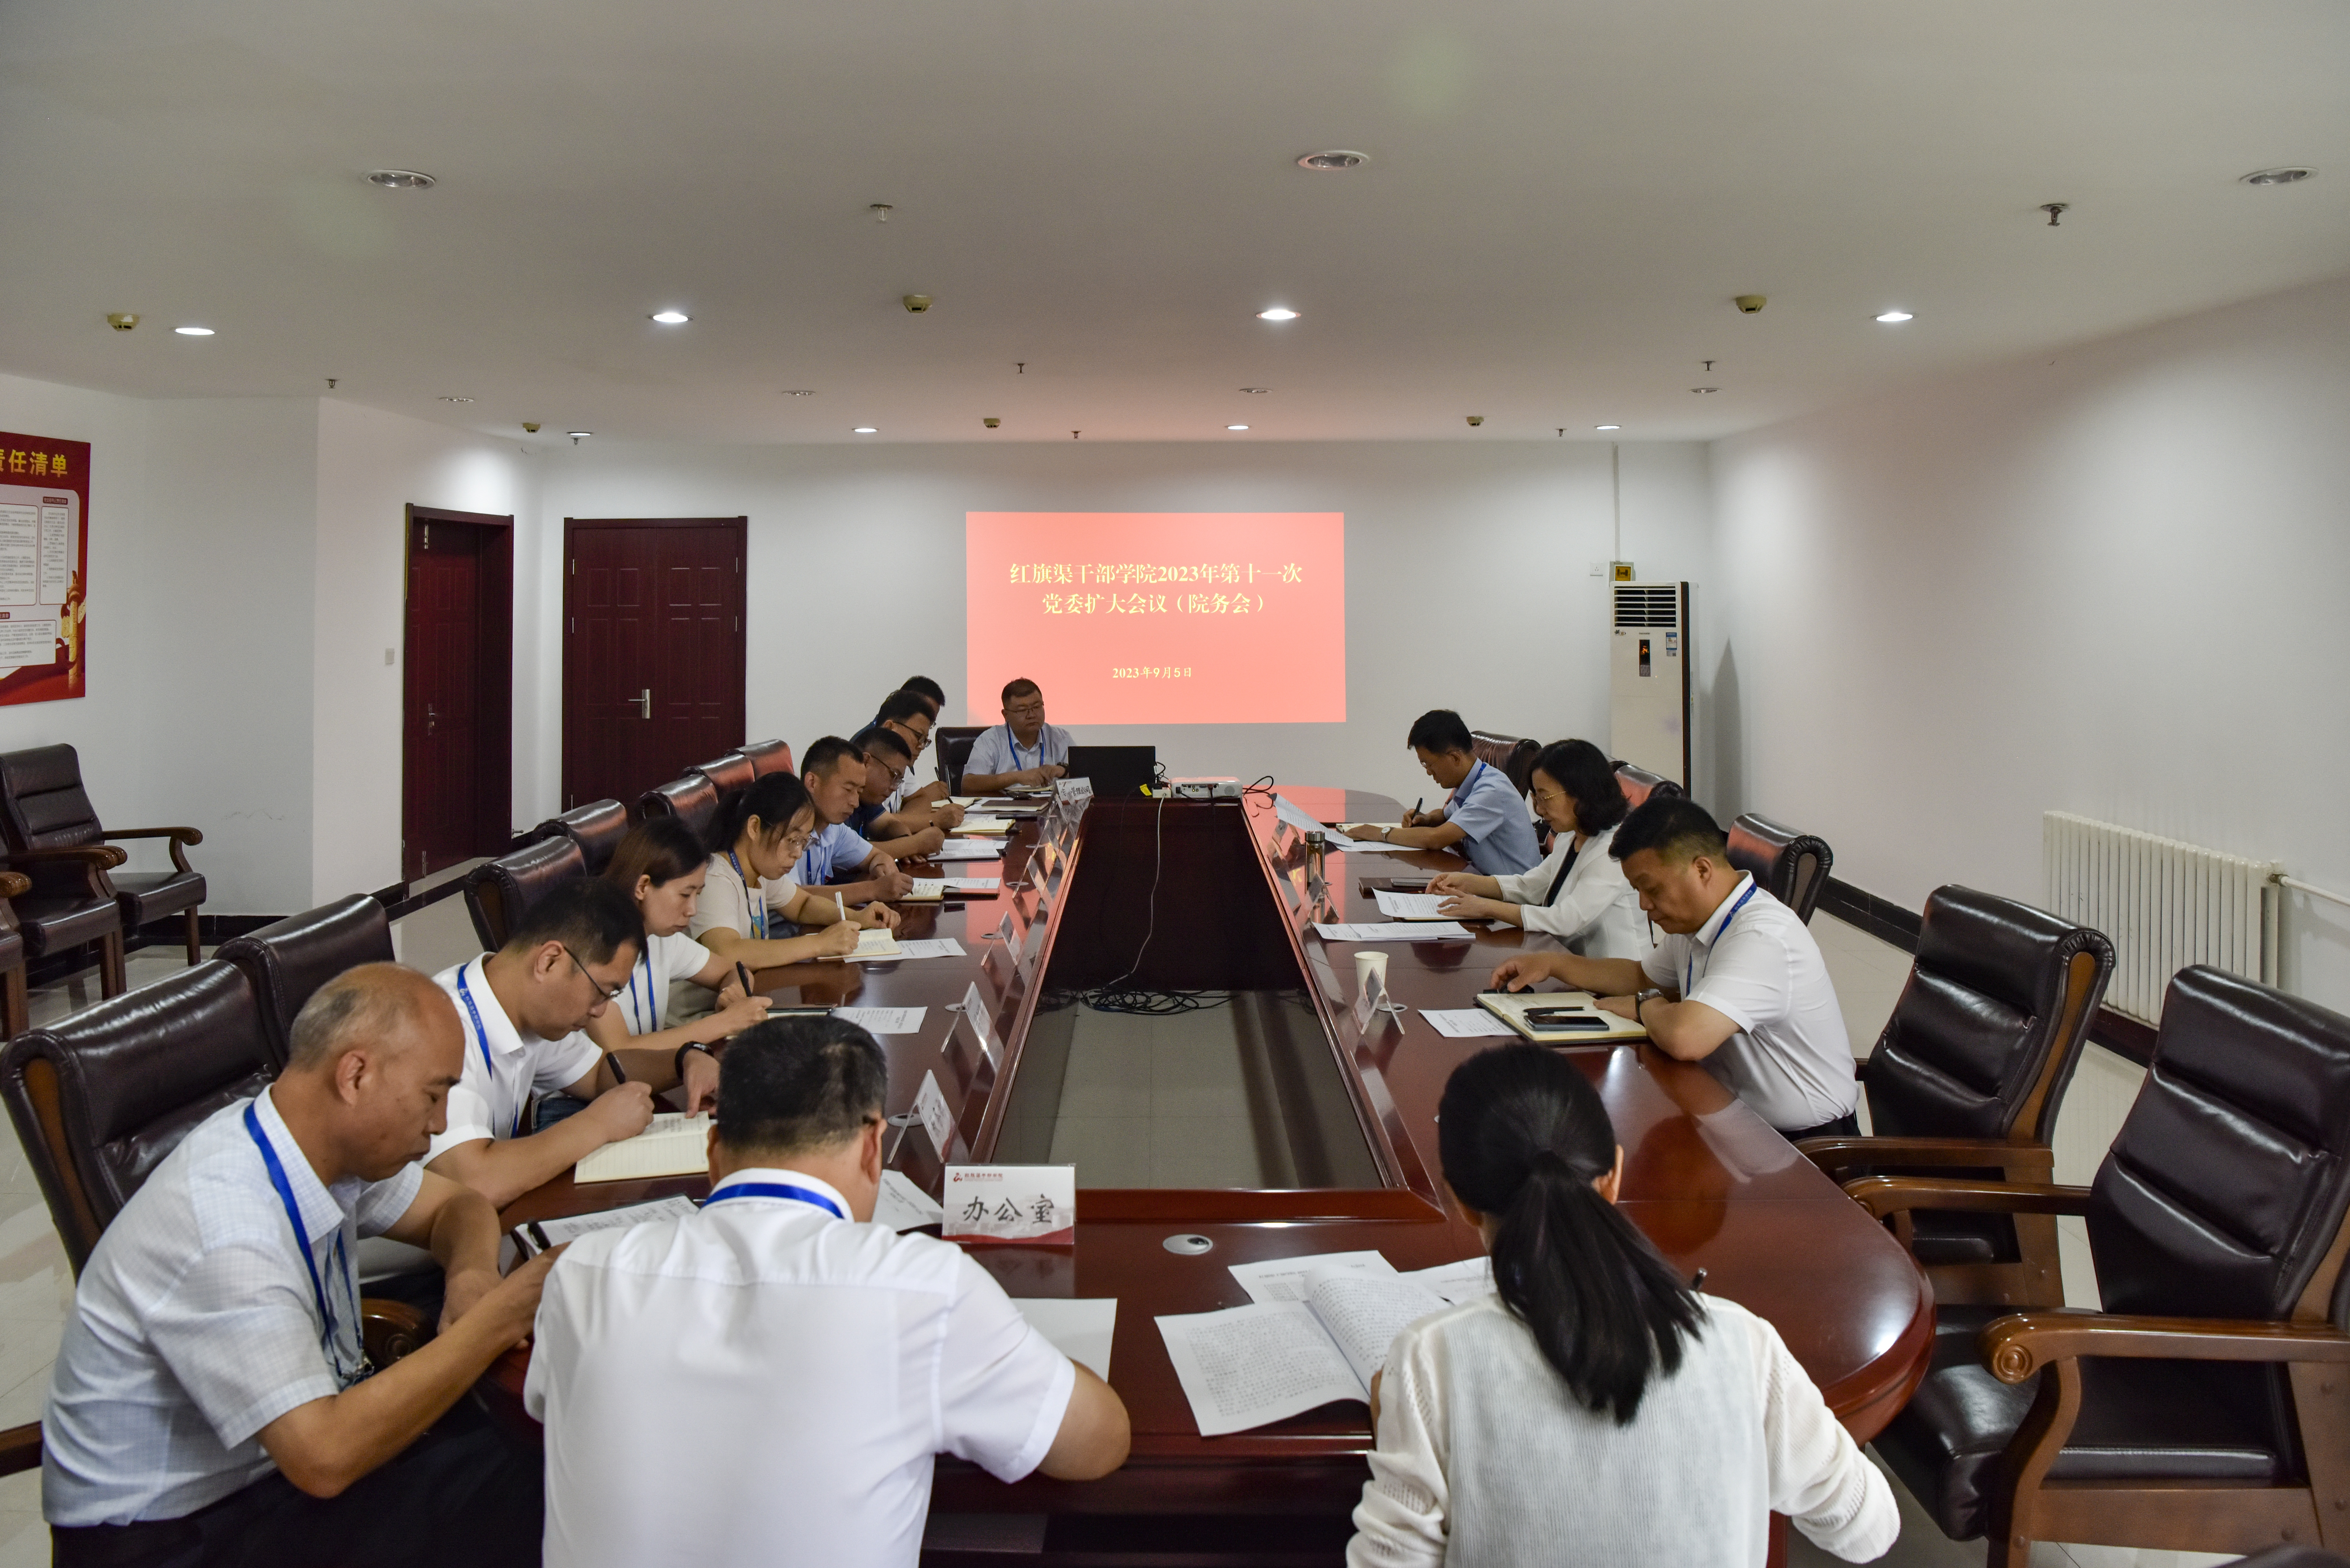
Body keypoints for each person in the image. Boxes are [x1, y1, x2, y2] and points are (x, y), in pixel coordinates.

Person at [527, 1015, 1132, 1568]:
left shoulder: (583, 1273)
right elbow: (1098, 1443)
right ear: (874, 1147)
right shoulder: (922, 1287)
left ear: (712, 1153)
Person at [42, 965, 559, 1567]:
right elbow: (325, 1458)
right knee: (535, 1490)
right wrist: (494, 1320)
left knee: (526, 1450)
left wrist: (471, 1278)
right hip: (176, 1535)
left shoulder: (311, 1141)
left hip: (271, 1475)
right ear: (356, 1075)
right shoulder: (225, 1223)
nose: (441, 1122)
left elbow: (461, 1205)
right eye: (433, 1094)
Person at [1346, 1044, 1896, 1567]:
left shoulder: (1432, 1359)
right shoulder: (1740, 1342)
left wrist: (1397, 1415)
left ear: (1459, 1202)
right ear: (1613, 1174)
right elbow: (1867, 1530)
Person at [1488, 796, 1857, 1138]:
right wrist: (1553, 963)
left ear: (1701, 869)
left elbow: (1685, 1037)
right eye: (1638, 891)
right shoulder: (1699, 919)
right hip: (1726, 1115)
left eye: (1652, 889)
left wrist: (1644, 1005)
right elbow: (1640, 976)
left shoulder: (1763, 936)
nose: (1645, 905)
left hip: (1804, 1148)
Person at [425, 878, 696, 1208]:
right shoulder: (440, 1029)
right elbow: (474, 1181)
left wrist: (686, 1060)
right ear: (550, 961)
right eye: (601, 991)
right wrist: (597, 1125)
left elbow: (598, 1073)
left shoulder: (529, 1010)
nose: (601, 1010)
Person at [588, 817, 774, 1106]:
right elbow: (618, 1054)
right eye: (685, 895)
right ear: (643, 887)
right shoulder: (593, 943)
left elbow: (733, 970)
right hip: (586, 1101)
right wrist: (724, 1023)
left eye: (698, 895)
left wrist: (732, 993)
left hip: (643, 1084)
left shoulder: (661, 935)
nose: (692, 910)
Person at [1429, 739, 1649, 956]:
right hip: (1567, 960)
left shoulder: (1614, 850)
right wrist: (1469, 883)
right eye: (1536, 798)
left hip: (1613, 977)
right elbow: (1531, 886)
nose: (1539, 810)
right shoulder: (1571, 835)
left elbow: (1564, 920)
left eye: (1545, 798)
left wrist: (1485, 907)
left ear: (1582, 792)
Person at [691, 771, 898, 977]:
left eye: (804, 842)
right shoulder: (715, 878)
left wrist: (859, 918)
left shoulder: (759, 872)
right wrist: (819, 944)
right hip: (704, 1009)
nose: (798, 853)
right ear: (755, 828)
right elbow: (727, 953)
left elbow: (802, 905)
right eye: (793, 840)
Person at [1346, 710, 1542, 876]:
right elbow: (1449, 814)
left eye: (1429, 764)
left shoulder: (1492, 791)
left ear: (1455, 758)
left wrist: (1381, 833)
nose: (1429, 772)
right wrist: (1428, 819)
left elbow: (1436, 839)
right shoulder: (1472, 778)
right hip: (1479, 879)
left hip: (1512, 895)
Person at [799, 735, 918, 902]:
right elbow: (792, 898)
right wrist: (873, 889)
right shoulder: (784, 829)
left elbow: (877, 856)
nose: (855, 803)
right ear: (812, 783)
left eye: (859, 792)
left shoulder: (833, 828)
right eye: (848, 790)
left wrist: (880, 866)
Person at [846, 725, 949, 861]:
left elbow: (888, 824)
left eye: (899, 780)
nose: (895, 788)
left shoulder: (867, 797)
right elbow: (848, 852)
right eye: (894, 775)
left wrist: (904, 841)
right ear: (866, 762)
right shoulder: (837, 796)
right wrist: (914, 845)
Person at [961, 678, 1072, 793]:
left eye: (1037, 707)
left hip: (1050, 807)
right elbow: (968, 784)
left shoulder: (1061, 738)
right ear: (1006, 715)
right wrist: (1017, 777)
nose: (1032, 715)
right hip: (1005, 808)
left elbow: (1087, 779)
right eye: (1023, 710)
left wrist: (1063, 771)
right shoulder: (990, 740)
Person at [873, 688, 962, 828]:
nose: (921, 746)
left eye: (925, 740)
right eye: (918, 736)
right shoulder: (868, 767)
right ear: (890, 728)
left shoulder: (902, 765)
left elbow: (921, 799)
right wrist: (934, 820)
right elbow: (878, 823)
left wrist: (901, 823)